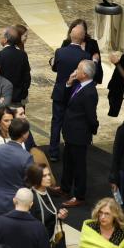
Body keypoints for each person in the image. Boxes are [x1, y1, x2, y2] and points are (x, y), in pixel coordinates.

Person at [48, 21, 91, 161]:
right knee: (72, 123)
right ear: (83, 37)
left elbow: (55, 68)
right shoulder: (86, 56)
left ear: (70, 35)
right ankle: (70, 151)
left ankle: (53, 152)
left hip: (60, 93)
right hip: (75, 95)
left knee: (56, 123)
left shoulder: (60, 52)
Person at [61, 59, 99, 208]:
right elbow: (66, 102)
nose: (75, 71)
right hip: (71, 132)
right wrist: (69, 83)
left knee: (79, 167)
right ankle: (65, 188)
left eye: (78, 69)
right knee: (68, 162)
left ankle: (79, 195)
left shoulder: (89, 92)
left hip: (79, 134)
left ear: (84, 74)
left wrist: (92, 130)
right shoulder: (79, 85)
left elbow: (91, 117)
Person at [0, 27, 30, 103]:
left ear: (5, 40)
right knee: (19, 115)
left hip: (2, 98)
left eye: (1, 37)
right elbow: (27, 78)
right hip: (19, 98)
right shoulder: (23, 55)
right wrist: (22, 94)